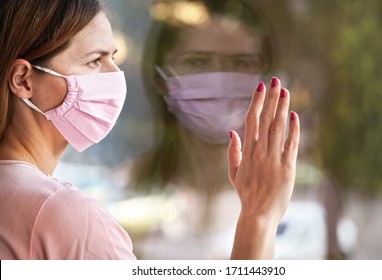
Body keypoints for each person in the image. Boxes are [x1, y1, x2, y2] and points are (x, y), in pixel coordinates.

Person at [0, 0, 300, 260]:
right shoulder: (67, 218)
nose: (115, 76)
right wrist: (259, 218)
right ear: (24, 80)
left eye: (112, 58)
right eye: (94, 61)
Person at [128, 0, 284, 259]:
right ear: (160, 80)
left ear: (265, 78)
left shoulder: (301, 195)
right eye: (198, 62)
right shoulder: (127, 194)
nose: (220, 78)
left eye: (241, 63)